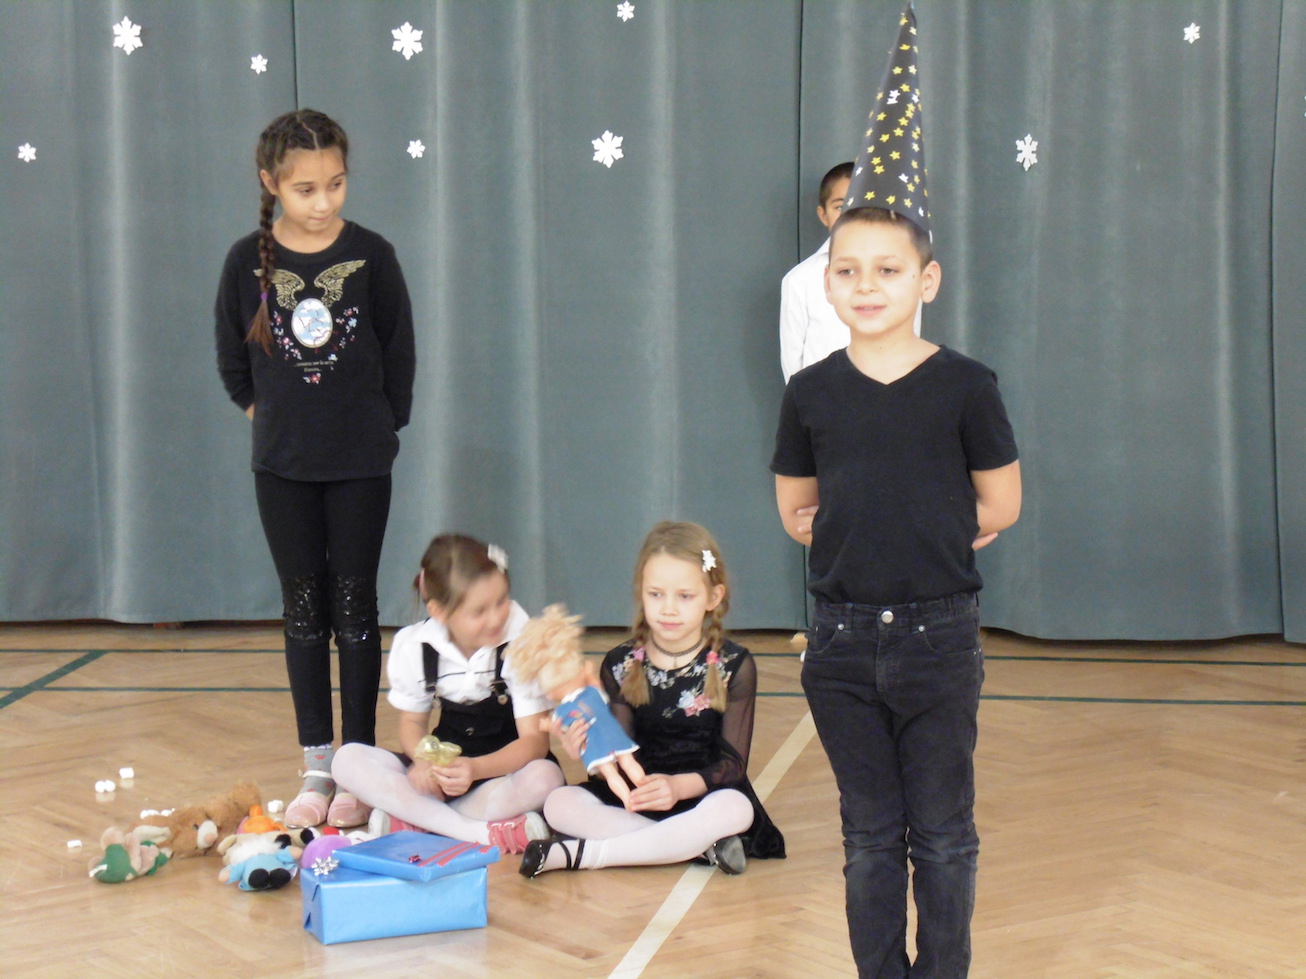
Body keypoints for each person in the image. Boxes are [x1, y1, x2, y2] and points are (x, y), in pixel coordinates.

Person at [771, 205, 1022, 977]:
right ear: (827, 284)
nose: (867, 286)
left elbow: (1002, 502)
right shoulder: (810, 391)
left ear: (927, 280)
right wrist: (866, 519)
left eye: (888, 269)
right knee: (870, 835)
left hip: (938, 638)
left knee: (943, 834)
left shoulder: (966, 384)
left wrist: (929, 524)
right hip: (841, 642)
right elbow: (798, 511)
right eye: (847, 271)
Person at [215, 109, 416, 830]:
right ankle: (318, 763)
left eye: (336, 183)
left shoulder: (372, 256)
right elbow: (233, 362)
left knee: (355, 607)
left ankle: (359, 761)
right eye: (306, 189)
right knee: (304, 610)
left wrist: (380, 426)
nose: (324, 201)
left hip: (360, 464)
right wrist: (272, 421)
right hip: (283, 468)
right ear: (271, 183)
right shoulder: (246, 262)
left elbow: (398, 350)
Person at [519, 521, 784, 877]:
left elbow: (733, 765)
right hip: (639, 795)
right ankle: (698, 847)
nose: (668, 609)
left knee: (737, 808)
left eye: (684, 596)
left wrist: (678, 786)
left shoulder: (734, 665)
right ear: (640, 593)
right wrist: (585, 747)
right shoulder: (620, 663)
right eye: (656, 594)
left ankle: (581, 855)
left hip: (702, 793)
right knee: (559, 802)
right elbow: (616, 751)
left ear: (714, 597)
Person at [331, 535, 564, 854]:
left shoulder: (522, 643)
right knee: (346, 759)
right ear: (439, 611)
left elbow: (535, 743)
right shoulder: (416, 646)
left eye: (502, 601)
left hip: (501, 772)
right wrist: (423, 762)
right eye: (479, 611)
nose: (496, 617)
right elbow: (413, 724)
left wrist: (475, 769)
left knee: (546, 778)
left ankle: (419, 822)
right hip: (443, 775)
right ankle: (479, 832)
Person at [506, 603, 646, 807]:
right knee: (627, 763)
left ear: (550, 692)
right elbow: (596, 691)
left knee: (611, 774)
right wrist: (589, 675)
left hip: (595, 745)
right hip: (611, 732)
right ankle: (641, 789)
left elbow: (558, 728)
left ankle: (628, 800)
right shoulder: (591, 693)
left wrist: (549, 726)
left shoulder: (563, 710)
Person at [779, 161, 852, 383]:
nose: (851, 214)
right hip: (823, 400)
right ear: (823, 215)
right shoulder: (799, 280)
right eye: (840, 207)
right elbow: (793, 363)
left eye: (861, 203)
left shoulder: (899, 275)